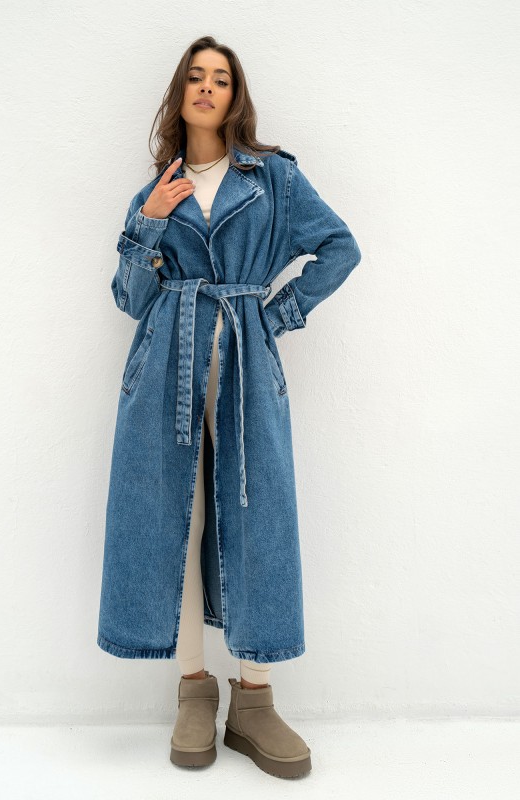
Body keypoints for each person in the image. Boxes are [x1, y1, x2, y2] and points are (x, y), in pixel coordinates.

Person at [98, 35, 361, 779]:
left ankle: (255, 699)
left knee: (256, 512)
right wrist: (149, 222)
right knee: (171, 519)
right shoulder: (158, 188)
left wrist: (274, 315)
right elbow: (130, 298)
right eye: (196, 76)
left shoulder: (273, 177)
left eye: (221, 77)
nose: (207, 87)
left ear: (235, 95)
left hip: (246, 360)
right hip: (163, 367)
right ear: (180, 93)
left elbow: (339, 248)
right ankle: (193, 690)